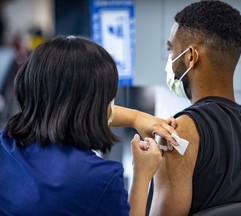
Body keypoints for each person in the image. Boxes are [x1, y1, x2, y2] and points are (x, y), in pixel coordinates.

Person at [0, 35, 173, 216]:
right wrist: (142, 175)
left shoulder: (6, 143)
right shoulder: (99, 179)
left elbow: (66, 110)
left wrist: (136, 118)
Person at [138, 0, 241, 215]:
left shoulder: (178, 132)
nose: (169, 60)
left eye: (171, 49)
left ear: (190, 57)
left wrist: (138, 176)